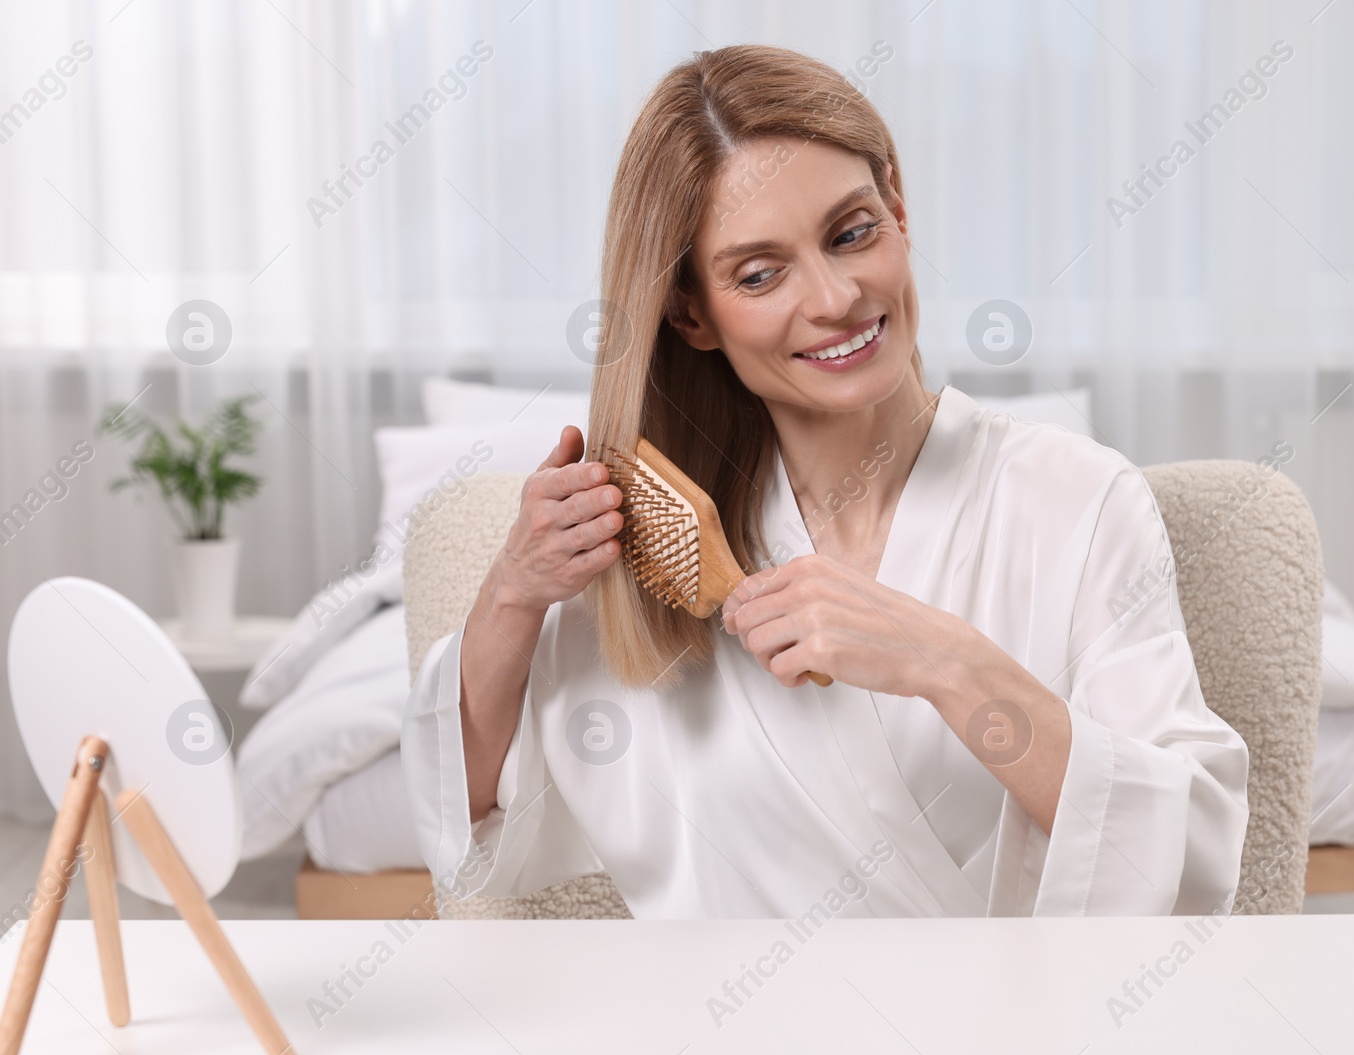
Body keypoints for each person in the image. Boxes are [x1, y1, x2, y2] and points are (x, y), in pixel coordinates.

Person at [401, 43, 1247, 918]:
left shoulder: (1077, 500)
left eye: (851, 233)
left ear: (899, 209)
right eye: (760, 274)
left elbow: (1188, 857)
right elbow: (460, 822)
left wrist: (946, 662)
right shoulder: (658, 555)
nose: (836, 296)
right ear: (691, 312)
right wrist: (511, 595)